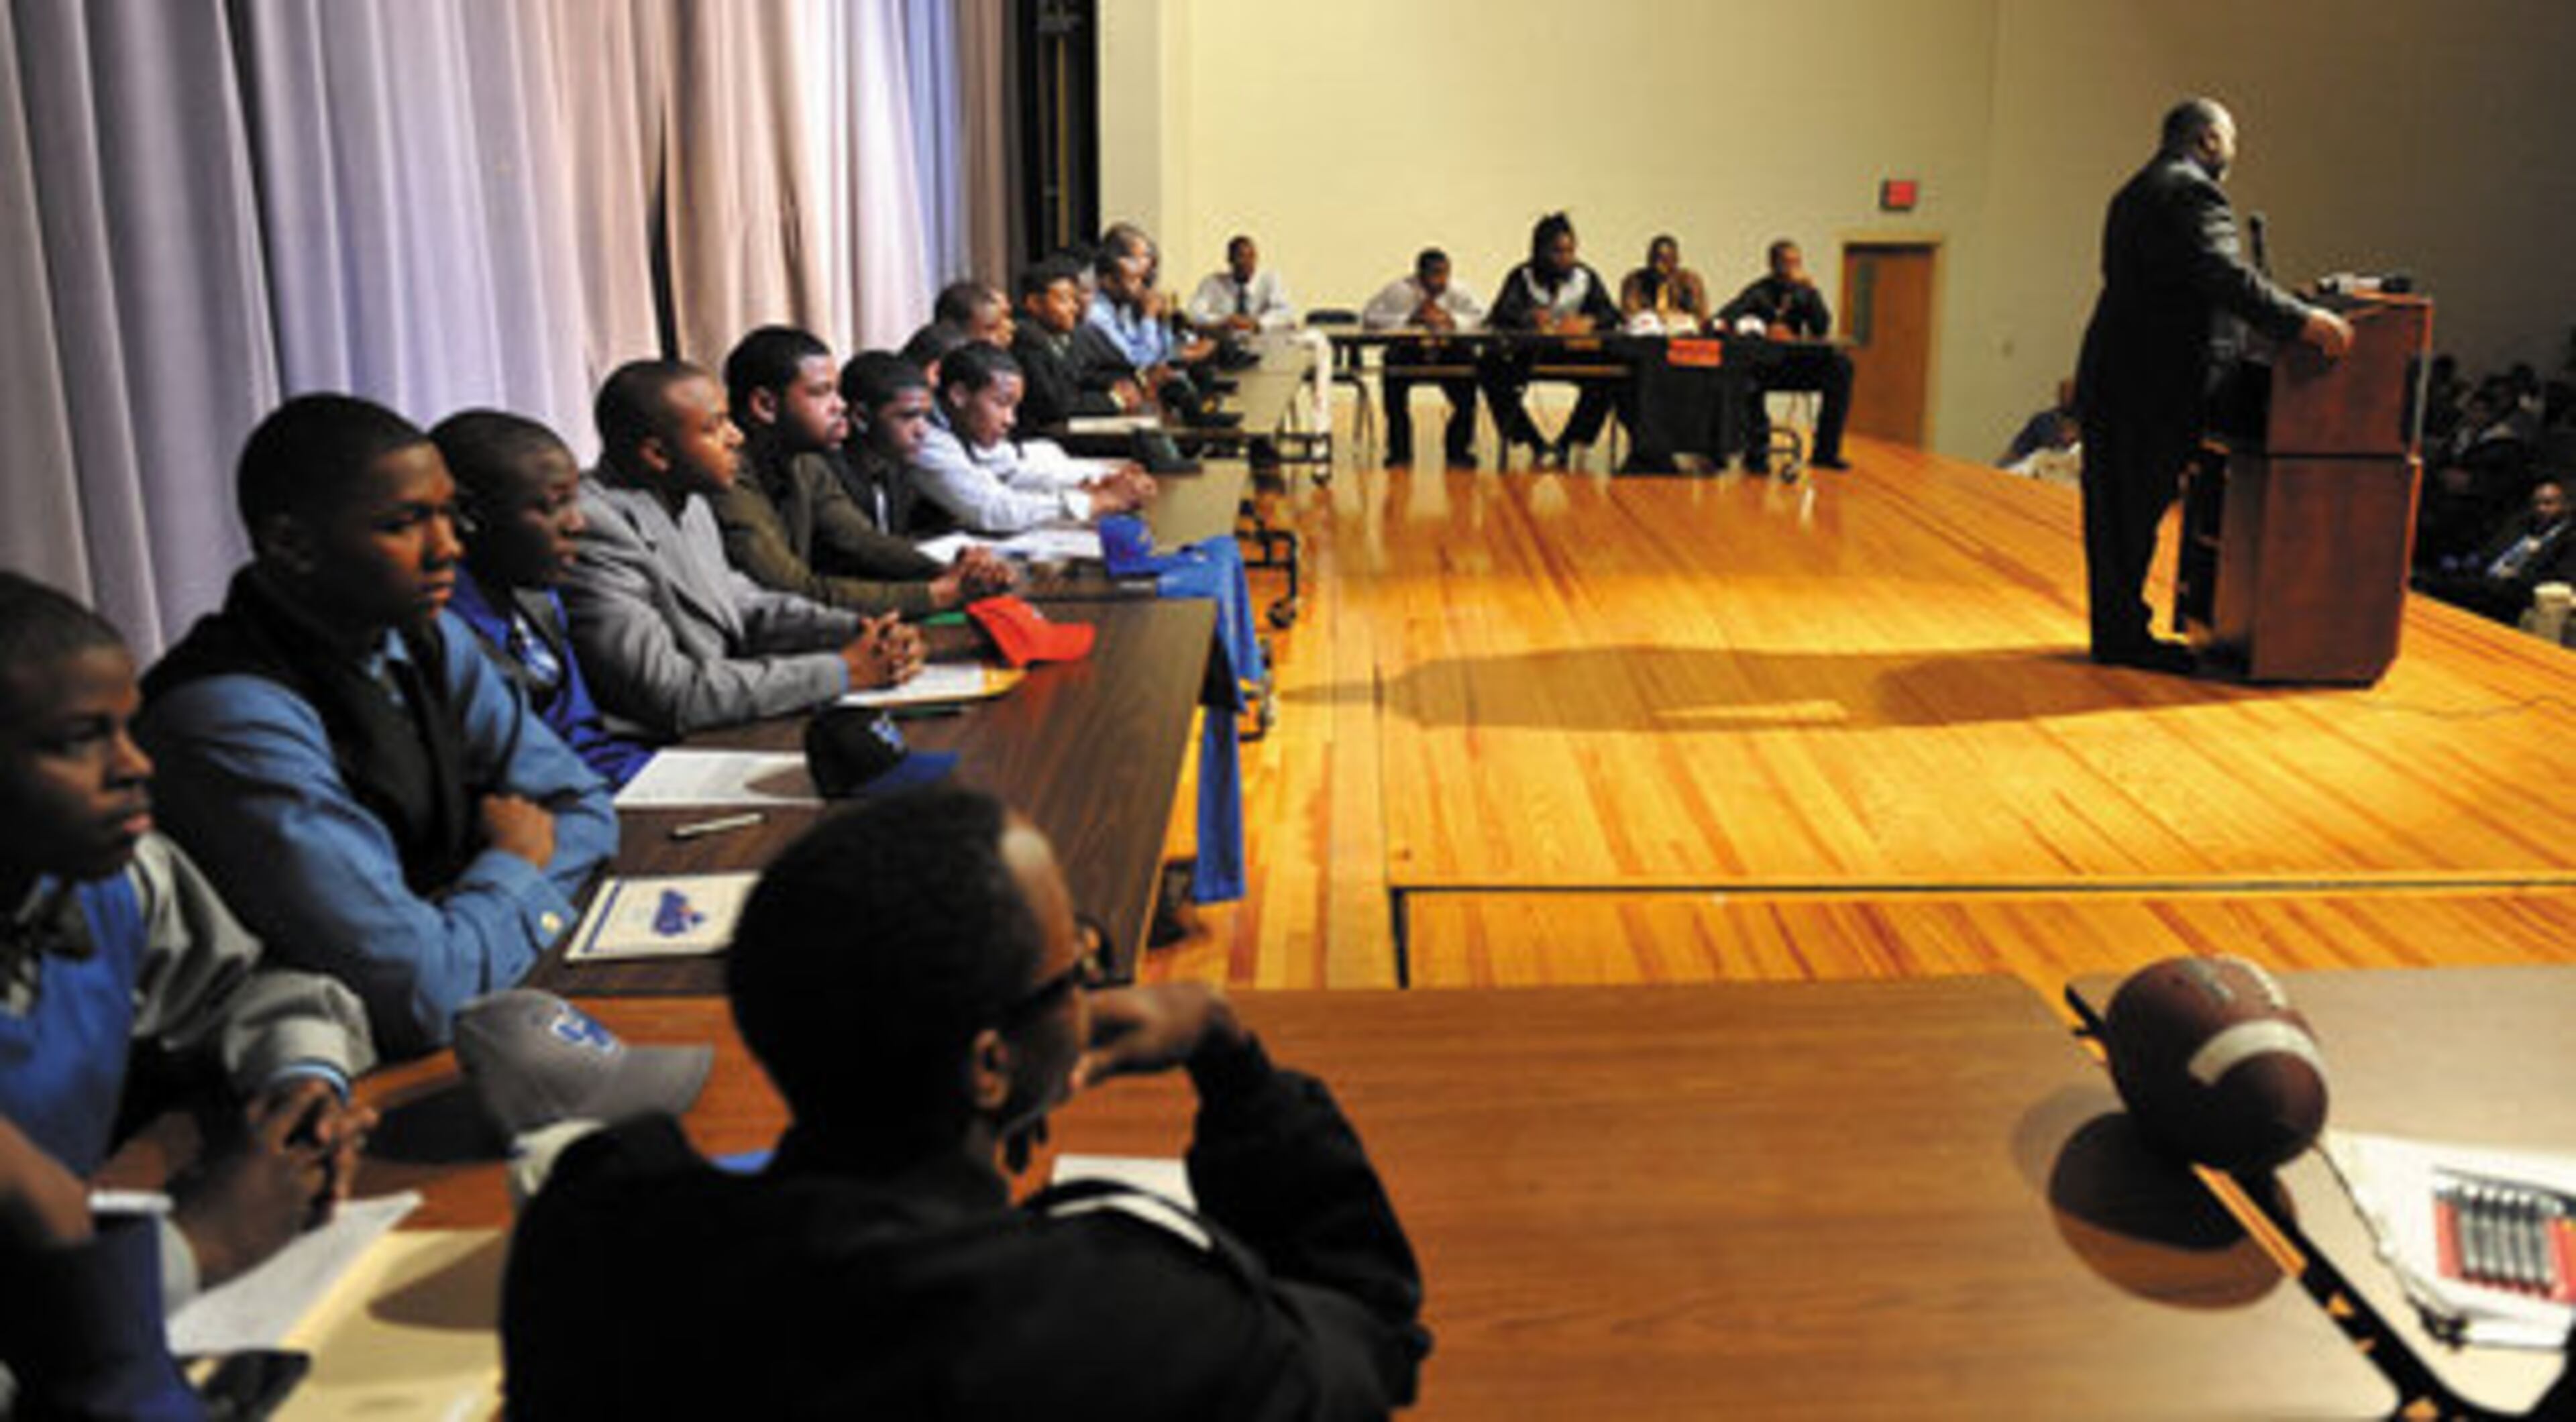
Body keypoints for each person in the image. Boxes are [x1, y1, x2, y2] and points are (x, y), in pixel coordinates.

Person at [501, 785, 1430, 1419]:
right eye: (1075, 971)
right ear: (990, 1066)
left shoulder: (593, 1237)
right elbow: (1369, 1336)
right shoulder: (1131, 1323)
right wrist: (1234, 1064)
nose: (1094, 987)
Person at [137, 394, 614, 1059]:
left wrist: (464, 926)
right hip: (293, 1079)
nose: (448, 548)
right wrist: (510, 866)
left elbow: (583, 805)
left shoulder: (429, 635)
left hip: (470, 1011)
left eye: (449, 515)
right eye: (404, 523)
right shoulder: (228, 713)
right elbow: (419, 994)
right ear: (291, 544)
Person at [0, 573, 376, 1407]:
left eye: (128, 729)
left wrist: (299, 1080)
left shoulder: (118, 876)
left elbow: (255, 986)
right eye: (79, 739)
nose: (136, 766)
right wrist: (194, 1247)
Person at [2075, 98, 2353, 673]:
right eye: (2230, 140)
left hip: (2119, 372)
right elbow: (2225, 277)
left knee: (2116, 518)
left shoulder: (2137, 189)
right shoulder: (2192, 192)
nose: (2234, 153)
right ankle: (2125, 640)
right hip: (2153, 383)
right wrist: (2305, 321)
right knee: (2132, 515)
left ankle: (2118, 633)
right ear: (2206, 141)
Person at [559, 360, 925, 741]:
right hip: (655, 752)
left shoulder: (691, 502)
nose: (735, 437)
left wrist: (859, 629)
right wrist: (843, 671)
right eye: (715, 426)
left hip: (721, 721)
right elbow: (668, 693)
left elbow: (744, 606)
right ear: (657, 455)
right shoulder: (594, 528)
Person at [431, 410, 656, 790]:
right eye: (553, 505)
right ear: (470, 514)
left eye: (575, 500)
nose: (577, 523)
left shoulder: (539, 598)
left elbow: (583, 739)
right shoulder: (439, 633)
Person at [714, 325, 1008, 615]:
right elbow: (792, 588)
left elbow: (863, 542)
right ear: (766, 406)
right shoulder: (727, 475)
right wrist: (933, 595)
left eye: (837, 392)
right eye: (821, 393)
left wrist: (949, 573)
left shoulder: (805, 462)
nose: (839, 406)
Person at [909, 342, 1159, 536]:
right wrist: (1094, 502)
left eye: (1014, 408)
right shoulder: (924, 436)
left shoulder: (962, 425)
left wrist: (1106, 477)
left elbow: (1015, 469)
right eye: (1002, 404)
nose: (1010, 420)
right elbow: (992, 510)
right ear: (960, 395)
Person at [1482, 211, 1622, 468]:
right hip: (1530, 353)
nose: (1565, 258)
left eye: (1570, 251)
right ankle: (1530, 440)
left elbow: (1610, 313)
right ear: (1540, 251)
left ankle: (1569, 441)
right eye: (1558, 252)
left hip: (1573, 351)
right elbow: (1502, 313)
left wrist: (1589, 322)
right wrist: (1529, 318)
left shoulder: (1585, 277)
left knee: (1609, 371)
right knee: (1491, 368)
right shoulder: (1522, 277)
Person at [1714, 239, 1856, 472]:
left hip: (1796, 364)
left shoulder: (1805, 292)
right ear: (1773, 265)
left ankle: (1826, 452)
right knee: (1745, 375)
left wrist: (1813, 293)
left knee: (1842, 367)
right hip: (1765, 367)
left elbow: (1821, 328)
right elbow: (1724, 319)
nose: (1793, 268)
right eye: (1787, 263)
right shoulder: (1758, 292)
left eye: (1797, 262)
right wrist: (1760, 331)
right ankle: (1757, 451)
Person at [1075, 223, 1218, 423]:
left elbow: (1157, 356)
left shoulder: (1122, 303)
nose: (1144, 287)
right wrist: (1149, 317)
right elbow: (1139, 362)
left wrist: (1162, 320)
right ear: (1107, 279)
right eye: (1136, 279)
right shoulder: (1095, 312)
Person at [1362, 248, 1485, 470]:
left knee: (1467, 390)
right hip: (1409, 353)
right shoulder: (1399, 290)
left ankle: (1458, 450)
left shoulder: (1459, 291)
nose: (1441, 280)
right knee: (1393, 387)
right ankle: (1399, 452)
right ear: (1420, 274)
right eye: (1435, 274)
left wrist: (1452, 320)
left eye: (1445, 273)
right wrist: (1409, 320)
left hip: (1448, 353)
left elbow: (1482, 317)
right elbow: (1369, 317)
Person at [2414, 477, 2575, 624]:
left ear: (2566, 506)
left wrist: (2514, 581)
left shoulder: (2569, 538)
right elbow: (2491, 551)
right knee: (2448, 571)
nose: (2540, 509)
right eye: (2536, 503)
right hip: (2488, 578)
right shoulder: (2523, 525)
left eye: (2548, 504)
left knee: (2448, 587)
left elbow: (2558, 576)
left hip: (2517, 589)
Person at [1010, 258, 1144, 434]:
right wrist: (1115, 400)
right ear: (1035, 303)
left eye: (1075, 300)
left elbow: (1087, 374)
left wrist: (1120, 385)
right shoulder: (1027, 340)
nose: (1074, 308)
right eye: (1064, 300)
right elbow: (1058, 404)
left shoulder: (1065, 337)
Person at [1186, 234, 1297, 335]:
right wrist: (1225, 321)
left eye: (1251, 257)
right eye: (1241, 256)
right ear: (1230, 259)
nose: (1247, 262)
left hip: (1261, 344)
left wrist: (1257, 323)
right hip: (1225, 345)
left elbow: (1286, 312)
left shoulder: (1270, 280)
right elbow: (1194, 314)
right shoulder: (1212, 283)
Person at [1617, 234, 1710, 331]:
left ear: (1676, 260)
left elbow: (1700, 316)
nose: (1658, 266)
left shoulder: (1689, 281)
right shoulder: (1635, 281)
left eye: (1664, 260)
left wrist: (1676, 318)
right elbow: (1630, 314)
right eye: (1654, 260)